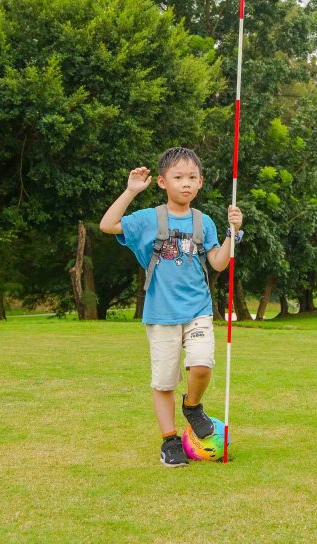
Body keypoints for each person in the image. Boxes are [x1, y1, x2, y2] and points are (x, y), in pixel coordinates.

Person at [99, 147, 244, 467]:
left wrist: (233, 233)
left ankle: (192, 407)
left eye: (192, 177)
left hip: (198, 309)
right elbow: (108, 225)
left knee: (202, 364)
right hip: (161, 314)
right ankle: (170, 440)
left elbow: (218, 262)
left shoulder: (203, 221)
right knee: (164, 381)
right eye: (178, 177)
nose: (186, 183)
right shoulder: (147, 218)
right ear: (163, 182)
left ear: (201, 182)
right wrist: (130, 191)